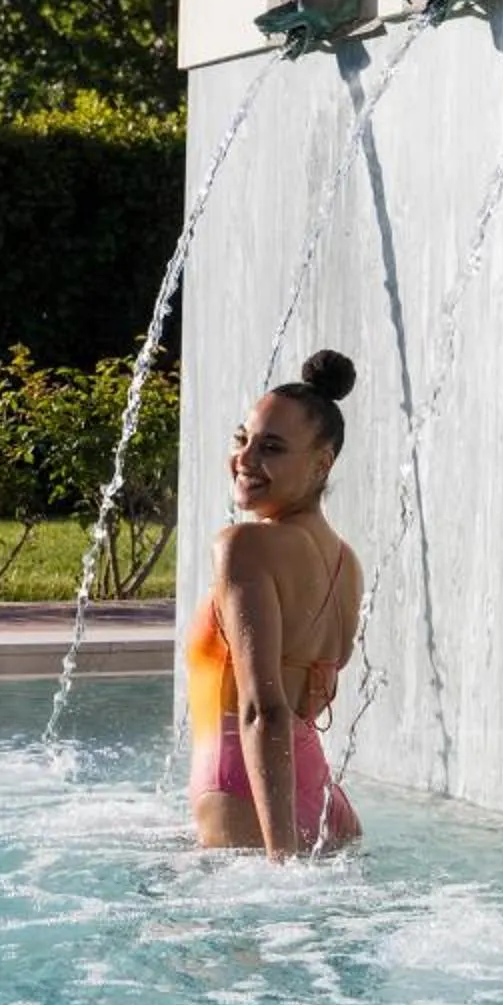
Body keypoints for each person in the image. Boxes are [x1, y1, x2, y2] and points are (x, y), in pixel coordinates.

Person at [187, 349, 365, 857]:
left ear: (321, 464)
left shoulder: (244, 546)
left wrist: (279, 859)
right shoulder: (345, 563)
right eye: (242, 439)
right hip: (324, 802)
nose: (244, 460)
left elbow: (264, 709)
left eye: (271, 448)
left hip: (249, 795)